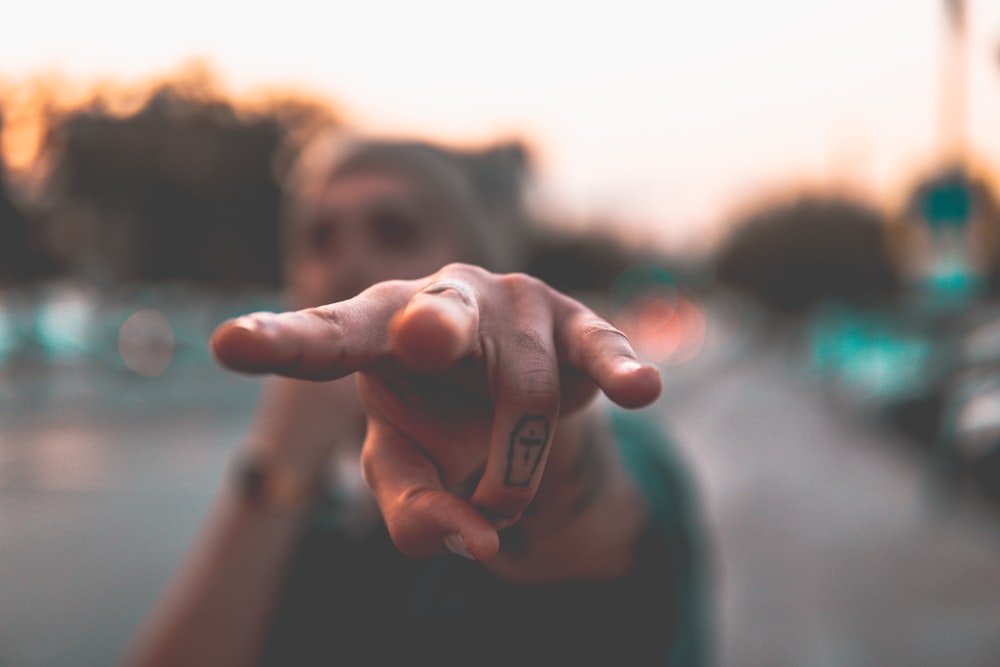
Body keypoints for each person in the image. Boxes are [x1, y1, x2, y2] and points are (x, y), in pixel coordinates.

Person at [124, 132, 711, 667]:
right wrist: (282, 458)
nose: (347, 264)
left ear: (478, 270)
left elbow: (599, 530)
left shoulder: (639, 454)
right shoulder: (318, 520)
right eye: (319, 238)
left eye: (395, 230)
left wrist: (545, 445)